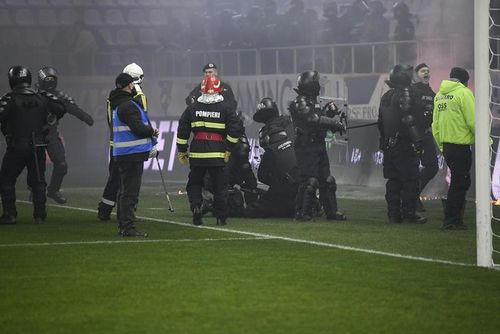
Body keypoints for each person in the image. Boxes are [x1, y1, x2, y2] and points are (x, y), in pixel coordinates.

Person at [0, 66, 65, 224]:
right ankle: (40, 216)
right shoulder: (41, 97)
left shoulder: (9, 99)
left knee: (6, 180)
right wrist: (47, 121)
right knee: (38, 181)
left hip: (17, 145)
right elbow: (61, 108)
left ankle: (10, 214)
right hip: (38, 145)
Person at [176, 74, 241, 226]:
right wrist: (229, 149)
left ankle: (197, 206)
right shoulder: (226, 107)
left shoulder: (192, 108)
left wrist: (182, 151)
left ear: (202, 90)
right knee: (220, 186)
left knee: (194, 183)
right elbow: (235, 130)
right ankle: (221, 216)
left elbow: (183, 129)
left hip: (197, 152)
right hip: (218, 153)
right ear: (219, 89)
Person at [289, 71, 347, 221]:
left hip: (318, 145)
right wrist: (334, 123)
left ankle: (332, 212)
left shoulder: (312, 101)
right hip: (306, 146)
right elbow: (311, 119)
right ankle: (302, 212)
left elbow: (318, 119)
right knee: (309, 181)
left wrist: (329, 114)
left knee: (327, 179)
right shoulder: (300, 101)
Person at [97, 63, 150, 221]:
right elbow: (142, 120)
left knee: (114, 180)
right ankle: (126, 216)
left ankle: (105, 210)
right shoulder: (137, 97)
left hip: (116, 144)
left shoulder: (112, 97)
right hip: (130, 147)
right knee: (128, 185)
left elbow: (110, 121)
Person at [109, 72, 159, 236]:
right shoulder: (128, 105)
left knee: (123, 192)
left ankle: (123, 226)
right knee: (130, 193)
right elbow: (138, 128)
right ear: (129, 85)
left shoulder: (117, 104)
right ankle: (128, 228)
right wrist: (152, 131)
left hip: (123, 154)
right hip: (131, 155)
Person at [36, 66, 94, 204]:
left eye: (52, 79)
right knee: (35, 166)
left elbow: (72, 108)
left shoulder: (59, 96)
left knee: (61, 164)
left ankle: (53, 190)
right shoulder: (32, 95)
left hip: (50, 132)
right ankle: (35, 190)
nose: (50, 82)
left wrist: (86, 118)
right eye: (47, 79)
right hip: (33, 133)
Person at [378, 64, 426, 224]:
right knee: (410, 180)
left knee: (393, 181)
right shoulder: (405, 94)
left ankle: (393, 214)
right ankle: (409, 213)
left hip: (389, 146)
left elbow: (380, 123)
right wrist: (418, 142)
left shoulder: (386, 96)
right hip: (403, 145)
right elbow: (408, 120)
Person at [432, 67, 474, 230]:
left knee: (459, 181)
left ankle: (452, 216)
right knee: (460, 182)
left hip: (447, 146)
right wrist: (487, 141)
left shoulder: (439, 96)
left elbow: (435, 125)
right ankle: (451, 220)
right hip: (461, 146)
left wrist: (442, 145)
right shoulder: (464, 93)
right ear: (465, 81)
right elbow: (473, 121)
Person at [245, 97, 298, 218]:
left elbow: (263, 175)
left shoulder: (268, 138)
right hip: (304, 178)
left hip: (286, 187)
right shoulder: (291, 124)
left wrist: (276, 182)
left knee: (253, 210)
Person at [411, 63, 438, 212]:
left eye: (428, 71)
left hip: (426, 134)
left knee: (432, 166)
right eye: (423, 71)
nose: (426, 73)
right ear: (416, 74)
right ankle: (411, 199)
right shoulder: (412, 91)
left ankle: (414, 194)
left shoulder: (433, 94)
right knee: (412, 167)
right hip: (413, 135)